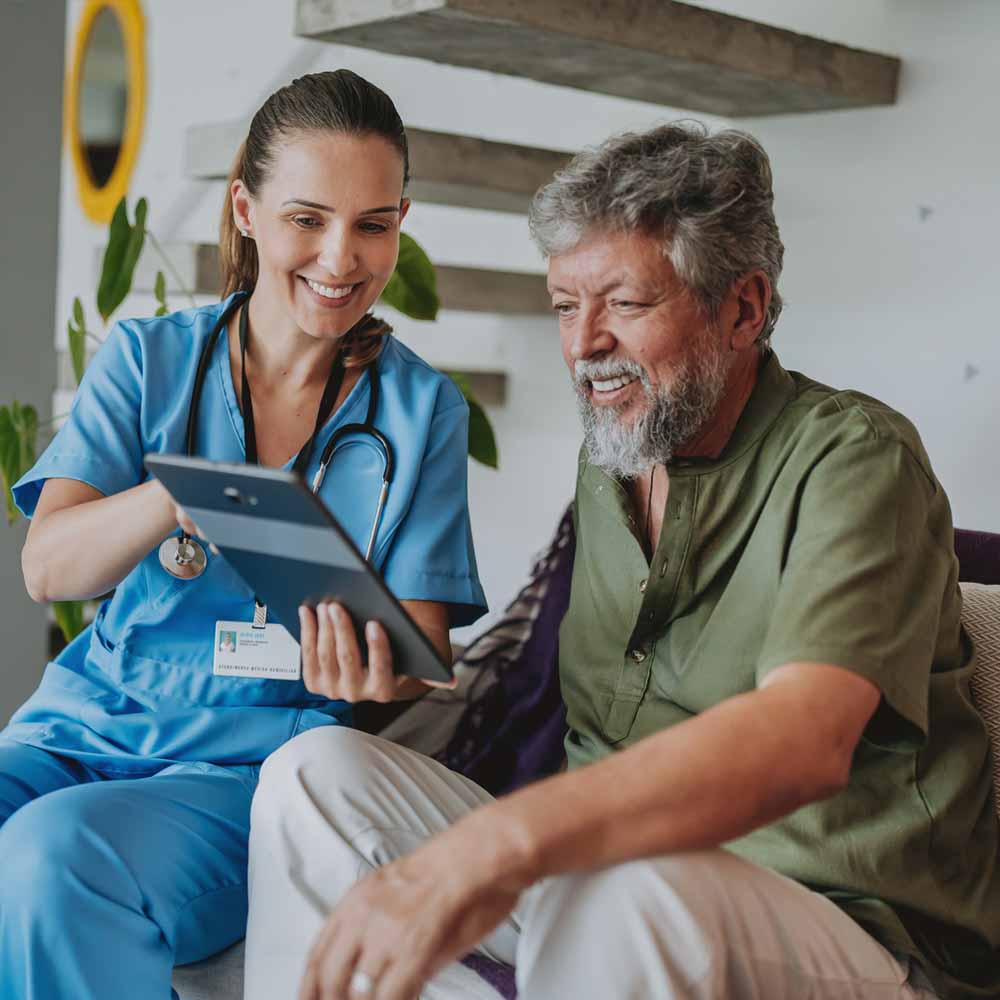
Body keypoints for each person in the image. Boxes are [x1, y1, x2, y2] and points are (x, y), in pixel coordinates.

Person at [243, 122, 1000, 1000]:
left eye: (625, 305)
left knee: (633, 894)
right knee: (314, 775)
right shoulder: (616, 453)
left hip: (847, 923)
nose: (582, 343)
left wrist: (497, 845)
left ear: (744, 308)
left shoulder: (855, 459)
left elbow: (805, 740)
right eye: (566, 305)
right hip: (610, 890)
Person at [0, 69, 486, 999]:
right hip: (77, 729)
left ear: (400, 223)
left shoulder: (425, 410)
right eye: (308, 218)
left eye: (373, 225)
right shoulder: (150, 360)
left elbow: (424, 652)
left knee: (52, 856)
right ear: (247, 209)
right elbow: (48, 566)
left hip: (245, 770)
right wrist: (181, 497)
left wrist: (375, 671)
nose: (341, 258)